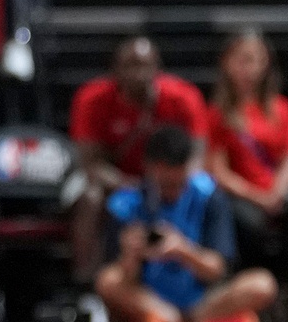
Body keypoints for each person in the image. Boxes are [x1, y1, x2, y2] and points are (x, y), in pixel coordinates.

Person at [96, 124, 276, 322]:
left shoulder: (209, 196)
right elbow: (118, 278)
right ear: (149, 167)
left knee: (262, 284)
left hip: (202, 303)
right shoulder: (126, 203)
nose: (172, 191)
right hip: (151, 299)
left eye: (178, 184)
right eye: (165, 184)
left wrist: (183, 251)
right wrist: (130, 256)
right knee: (107, 281)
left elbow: (217, 270)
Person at [67, 35, 208, 285]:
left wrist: (170, 181)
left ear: (158, 68)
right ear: (115, 69)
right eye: (131, 66)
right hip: (117, 181)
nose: (139, 74)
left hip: (170, 178)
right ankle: (86, 282)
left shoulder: (183, 97)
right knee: (90, 196)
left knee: (205, 190)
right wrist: (127, 184)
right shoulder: (92, 98)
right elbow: (89, 163)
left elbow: (198, 154)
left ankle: (202, 272)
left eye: (145, 65)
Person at [204, 30, 288, 275]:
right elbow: (219, 171)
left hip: (278, 192)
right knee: (248, 223)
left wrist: (277, 193)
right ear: (227, 63)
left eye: (258, 60)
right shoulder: (218, 114)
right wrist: (258, 198)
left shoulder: (283, 108)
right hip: (242, 195)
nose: (250, 69)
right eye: (243, 60)